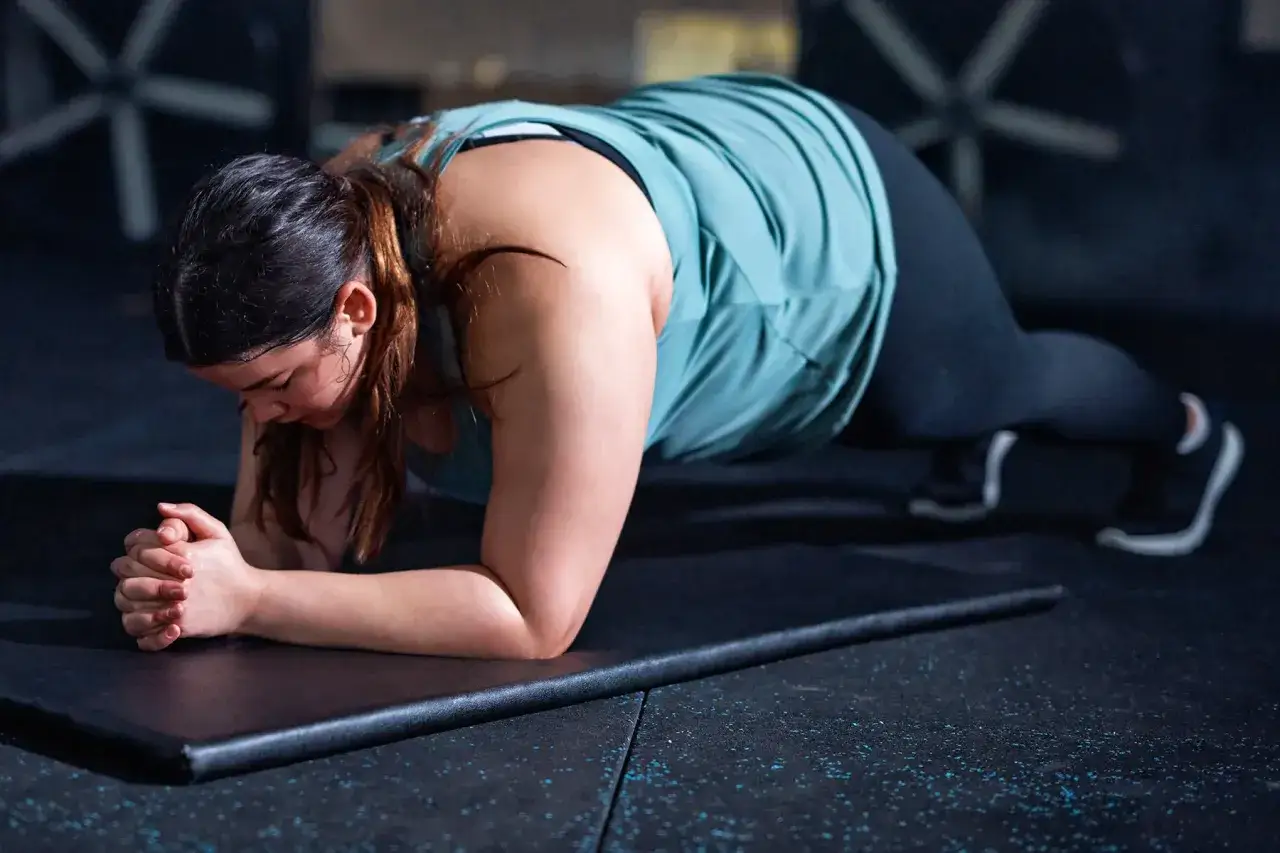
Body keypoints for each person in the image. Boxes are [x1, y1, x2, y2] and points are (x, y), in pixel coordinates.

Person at [112, 73, 1244, 658]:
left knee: (979, 391)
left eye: (267, 390)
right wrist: (204, 571)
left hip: (831, 227)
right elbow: (292, 537)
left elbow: (528, 614)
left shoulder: (545, 289)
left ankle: (1187, 434)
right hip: (682, 153)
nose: (261, 421)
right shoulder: (320, 236)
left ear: (356, 310)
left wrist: (255, 595)